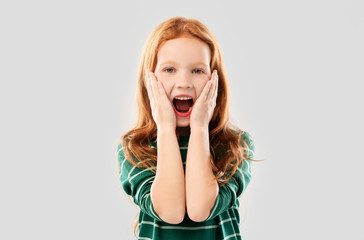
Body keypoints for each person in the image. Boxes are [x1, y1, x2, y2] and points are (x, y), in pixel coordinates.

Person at [117, 16, 256, 240]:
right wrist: (165, 129)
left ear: (215, 79)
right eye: (169, 69)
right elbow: (170, 212)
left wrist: (200, 128)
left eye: (197, 71)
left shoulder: (236, 146)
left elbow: (201, 209)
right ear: (149, 79)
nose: (184, 82)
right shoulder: (135, 149)